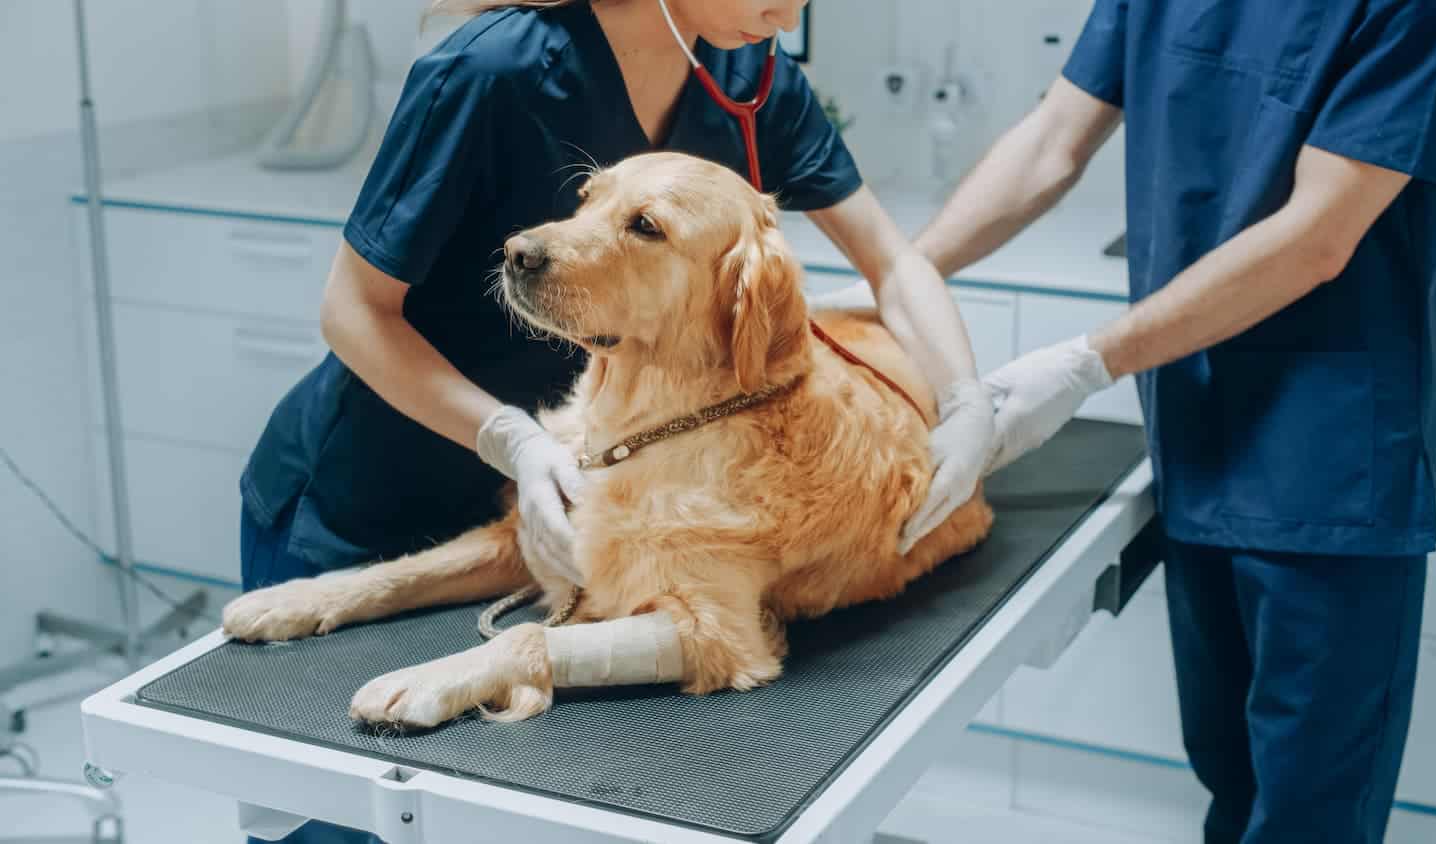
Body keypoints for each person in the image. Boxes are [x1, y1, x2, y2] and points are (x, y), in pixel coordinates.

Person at [236, 2, 993, 840]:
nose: (787, 12)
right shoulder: (490, 72)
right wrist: (512, 440)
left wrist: (967, 403)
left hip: (546, 494)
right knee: (339, 819)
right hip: (366, 489)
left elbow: (891, 261)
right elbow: (352, 312)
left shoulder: (750, 72)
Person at [906, 1, 1436, 841]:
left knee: (1308, 814)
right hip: (1196, 434)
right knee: (1228, 777)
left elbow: (1318, 237)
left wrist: (1086, 361)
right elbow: (1050, 143)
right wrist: (898, 282)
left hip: (1330, 468)